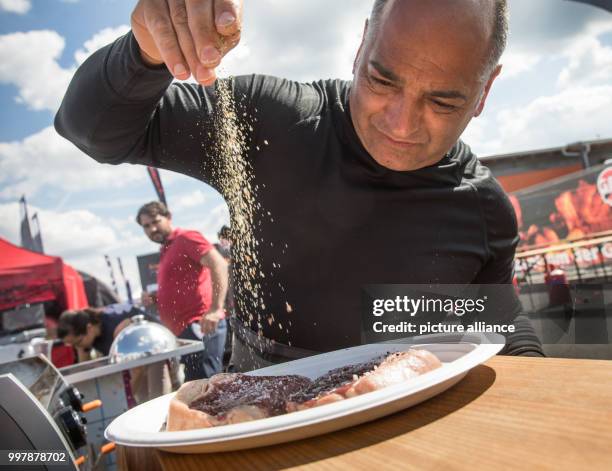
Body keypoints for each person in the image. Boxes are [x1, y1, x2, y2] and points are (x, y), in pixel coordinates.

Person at [55, 0, 545, 371]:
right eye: (381, 81)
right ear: (361, 46)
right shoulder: (275, 124)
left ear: (484, 91)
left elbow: (495, 320)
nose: (401, 123)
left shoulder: (482, 206)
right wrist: (144, 50)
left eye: (441, 103)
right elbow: (91, 129)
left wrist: (542, 385)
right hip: (258, 429)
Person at [136, 201, 229, 380]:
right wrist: (156, 299)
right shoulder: (166, 249)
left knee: (205, 387)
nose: (152, 229)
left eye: (155, 221)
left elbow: (218, 264)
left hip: (201, 325)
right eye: (146, 226)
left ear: (168, 217)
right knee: (198, 388)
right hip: (185, 333)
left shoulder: (186, 237)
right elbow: (180, 288)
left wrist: (216, 309)